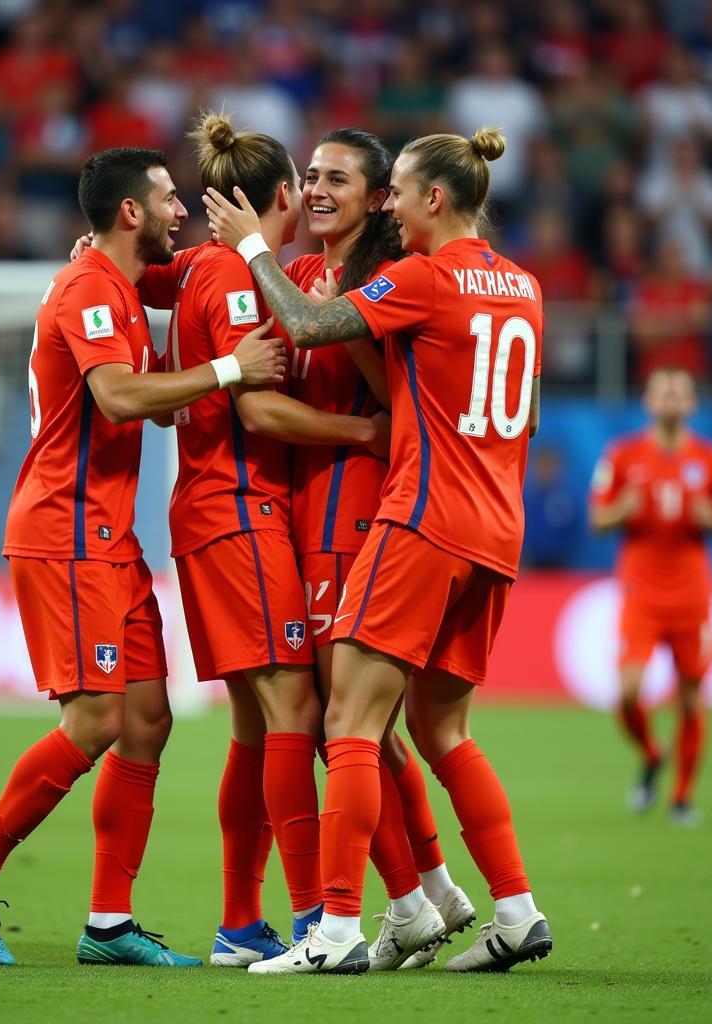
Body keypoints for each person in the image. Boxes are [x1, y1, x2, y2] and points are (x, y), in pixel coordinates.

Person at [0, 146, 286, 968]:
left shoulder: (120, 286)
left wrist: (243, 263)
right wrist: (231, 367)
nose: (178, 212)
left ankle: (109, 923)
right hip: (64, 531)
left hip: (109, 537)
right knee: (94, 720)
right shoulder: (92, 288)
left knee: (148, 721)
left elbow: (152, 392)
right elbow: (121, 397)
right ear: (130, 212)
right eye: (166, 200)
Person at [204, 125, 552, 975]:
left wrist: (252, 246)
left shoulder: (424, 277)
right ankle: (514, 912)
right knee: (443, 729)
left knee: (348, 724)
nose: (389, 205)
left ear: (435, 199)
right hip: (498, 530)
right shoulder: (524, 287)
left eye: (395, 189)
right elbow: (529, 412)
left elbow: (307, 322)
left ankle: (334, 933)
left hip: (423, 518)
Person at [132, 113, 393, 968]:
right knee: (296, 712)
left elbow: (163, 275)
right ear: (284, 193)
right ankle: (320, 919)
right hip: (238, 509)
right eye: (307, 182)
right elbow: (255, 404)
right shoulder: (241, 281)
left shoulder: (213, 267)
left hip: (218, 510)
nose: (315, 195)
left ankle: (242, 921)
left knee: (255, 724)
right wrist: (362, 435)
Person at [286, 127, 474, 971]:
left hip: (364, 514)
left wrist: (358, 425)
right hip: (327, 512)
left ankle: (369, 913)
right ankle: (432, 891)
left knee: (347, 724)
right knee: (372, 727)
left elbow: (401, 409)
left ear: (380, 200)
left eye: (340, 179)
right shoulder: (310, 273)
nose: (318, 188)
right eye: (309, 175)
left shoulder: (384, 281)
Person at [589, 367, 712, 826]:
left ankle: (681, 797)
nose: (671, 400)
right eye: (663, 392)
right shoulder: (622, 455)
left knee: (692, 699)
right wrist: (621, 510)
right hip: (642, 591)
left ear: (691, 404)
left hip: (693, 593)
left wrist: (711, 517)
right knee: (628, 693)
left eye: (680, 392)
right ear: (649, 402)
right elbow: (598, 520)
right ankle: (654, 753)